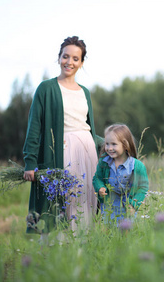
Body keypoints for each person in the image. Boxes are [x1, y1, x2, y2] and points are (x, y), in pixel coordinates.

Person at [22, 36, 103, 237]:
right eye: (65, 56)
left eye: (75, 58)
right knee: (62, 202)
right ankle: (59, 252)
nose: (69, 62)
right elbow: (34, 127)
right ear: (59, 58)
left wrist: (113, 143)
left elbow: (87, 128)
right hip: (61, 152)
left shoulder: (85, 92)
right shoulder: (46, 88)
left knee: (85, 200)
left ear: (82, 62)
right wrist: (30, 161)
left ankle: (82, 249)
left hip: (87, 152)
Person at [92, 124, 149, 226]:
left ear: (125, 145)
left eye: (114, 144)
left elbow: (143, 187)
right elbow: (97, 178)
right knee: (109, 233)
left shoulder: (137, 166)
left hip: (127, 208)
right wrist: (100, 187)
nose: (109, 148)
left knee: (125, 235)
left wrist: (133, 205)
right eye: (107, 144)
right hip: (109, 207)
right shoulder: (104, 162)